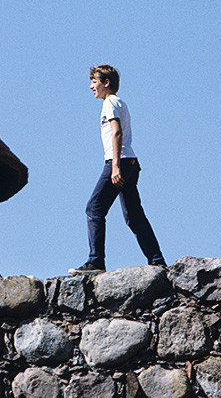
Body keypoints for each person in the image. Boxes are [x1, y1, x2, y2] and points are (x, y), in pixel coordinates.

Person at [70, 64, 166, 273]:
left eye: (94, 81)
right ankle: (157, 260)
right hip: (131, 161)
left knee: (94, 208)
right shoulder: (119, 102)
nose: (90, 86)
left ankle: (96, 261)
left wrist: (114, 166)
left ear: (106, 83)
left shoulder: (110, 103)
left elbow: (116, 133)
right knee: (134, 215)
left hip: (120, 161)